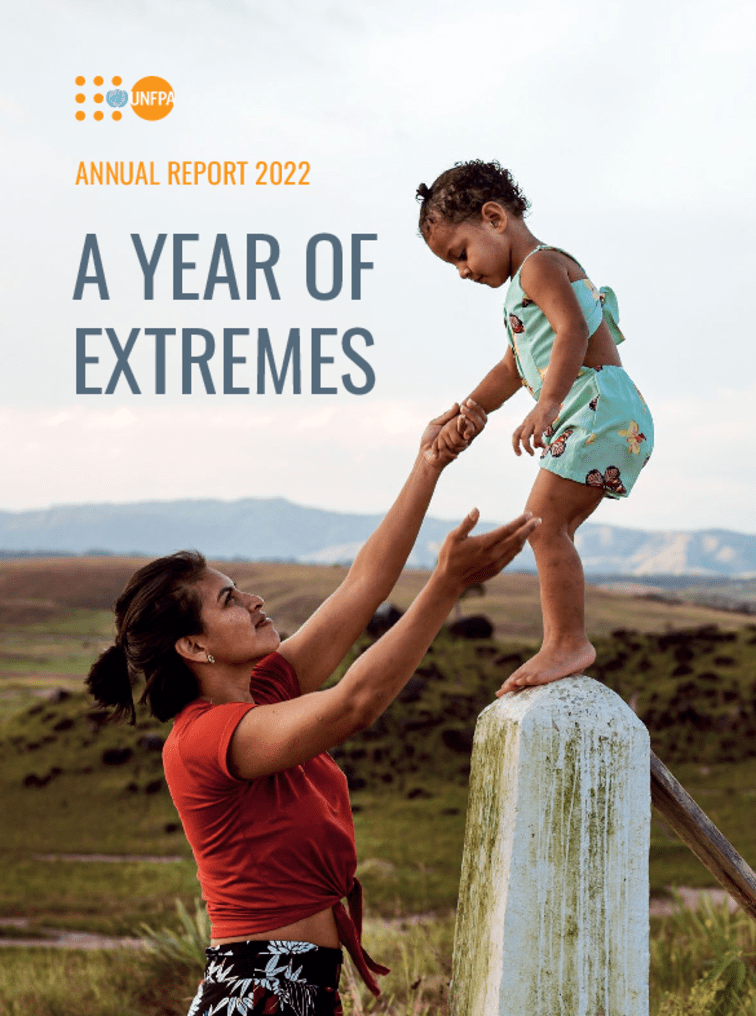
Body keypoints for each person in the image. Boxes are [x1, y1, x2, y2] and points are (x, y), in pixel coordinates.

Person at [86, 404, 536, 1016]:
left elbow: (362, 587)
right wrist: (445, 587)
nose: (254, 599)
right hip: (259, 992)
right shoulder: (204, 741)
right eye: (229, 600)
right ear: (194, 647)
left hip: (295, 989)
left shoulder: (266, 690)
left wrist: (428, 465)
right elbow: (356, 703)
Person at [416, 160, 654, 693]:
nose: (461, 271)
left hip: (597, 406)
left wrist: (547, 404)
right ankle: (564, 639)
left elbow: (570, 331)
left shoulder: (540, 267)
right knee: (549, 525)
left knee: (543, 523)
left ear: (494, 218)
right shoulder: (522, 287)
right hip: (603, 409)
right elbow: (510, 368)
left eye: (460, 253)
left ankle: (567, 642)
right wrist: (469, 409)